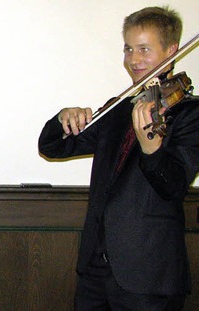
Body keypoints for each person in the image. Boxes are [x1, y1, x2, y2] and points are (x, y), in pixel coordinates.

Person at [38, 6, 199, 311]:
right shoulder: (119, 109)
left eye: (144, 49)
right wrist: (62, 119)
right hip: (96, 269)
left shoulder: (189, 113)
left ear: (171, 49)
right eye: (128, 48)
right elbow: (54, 147)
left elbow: (174, 186)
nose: (134, 59)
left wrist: (152, 147)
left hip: (149, 274)